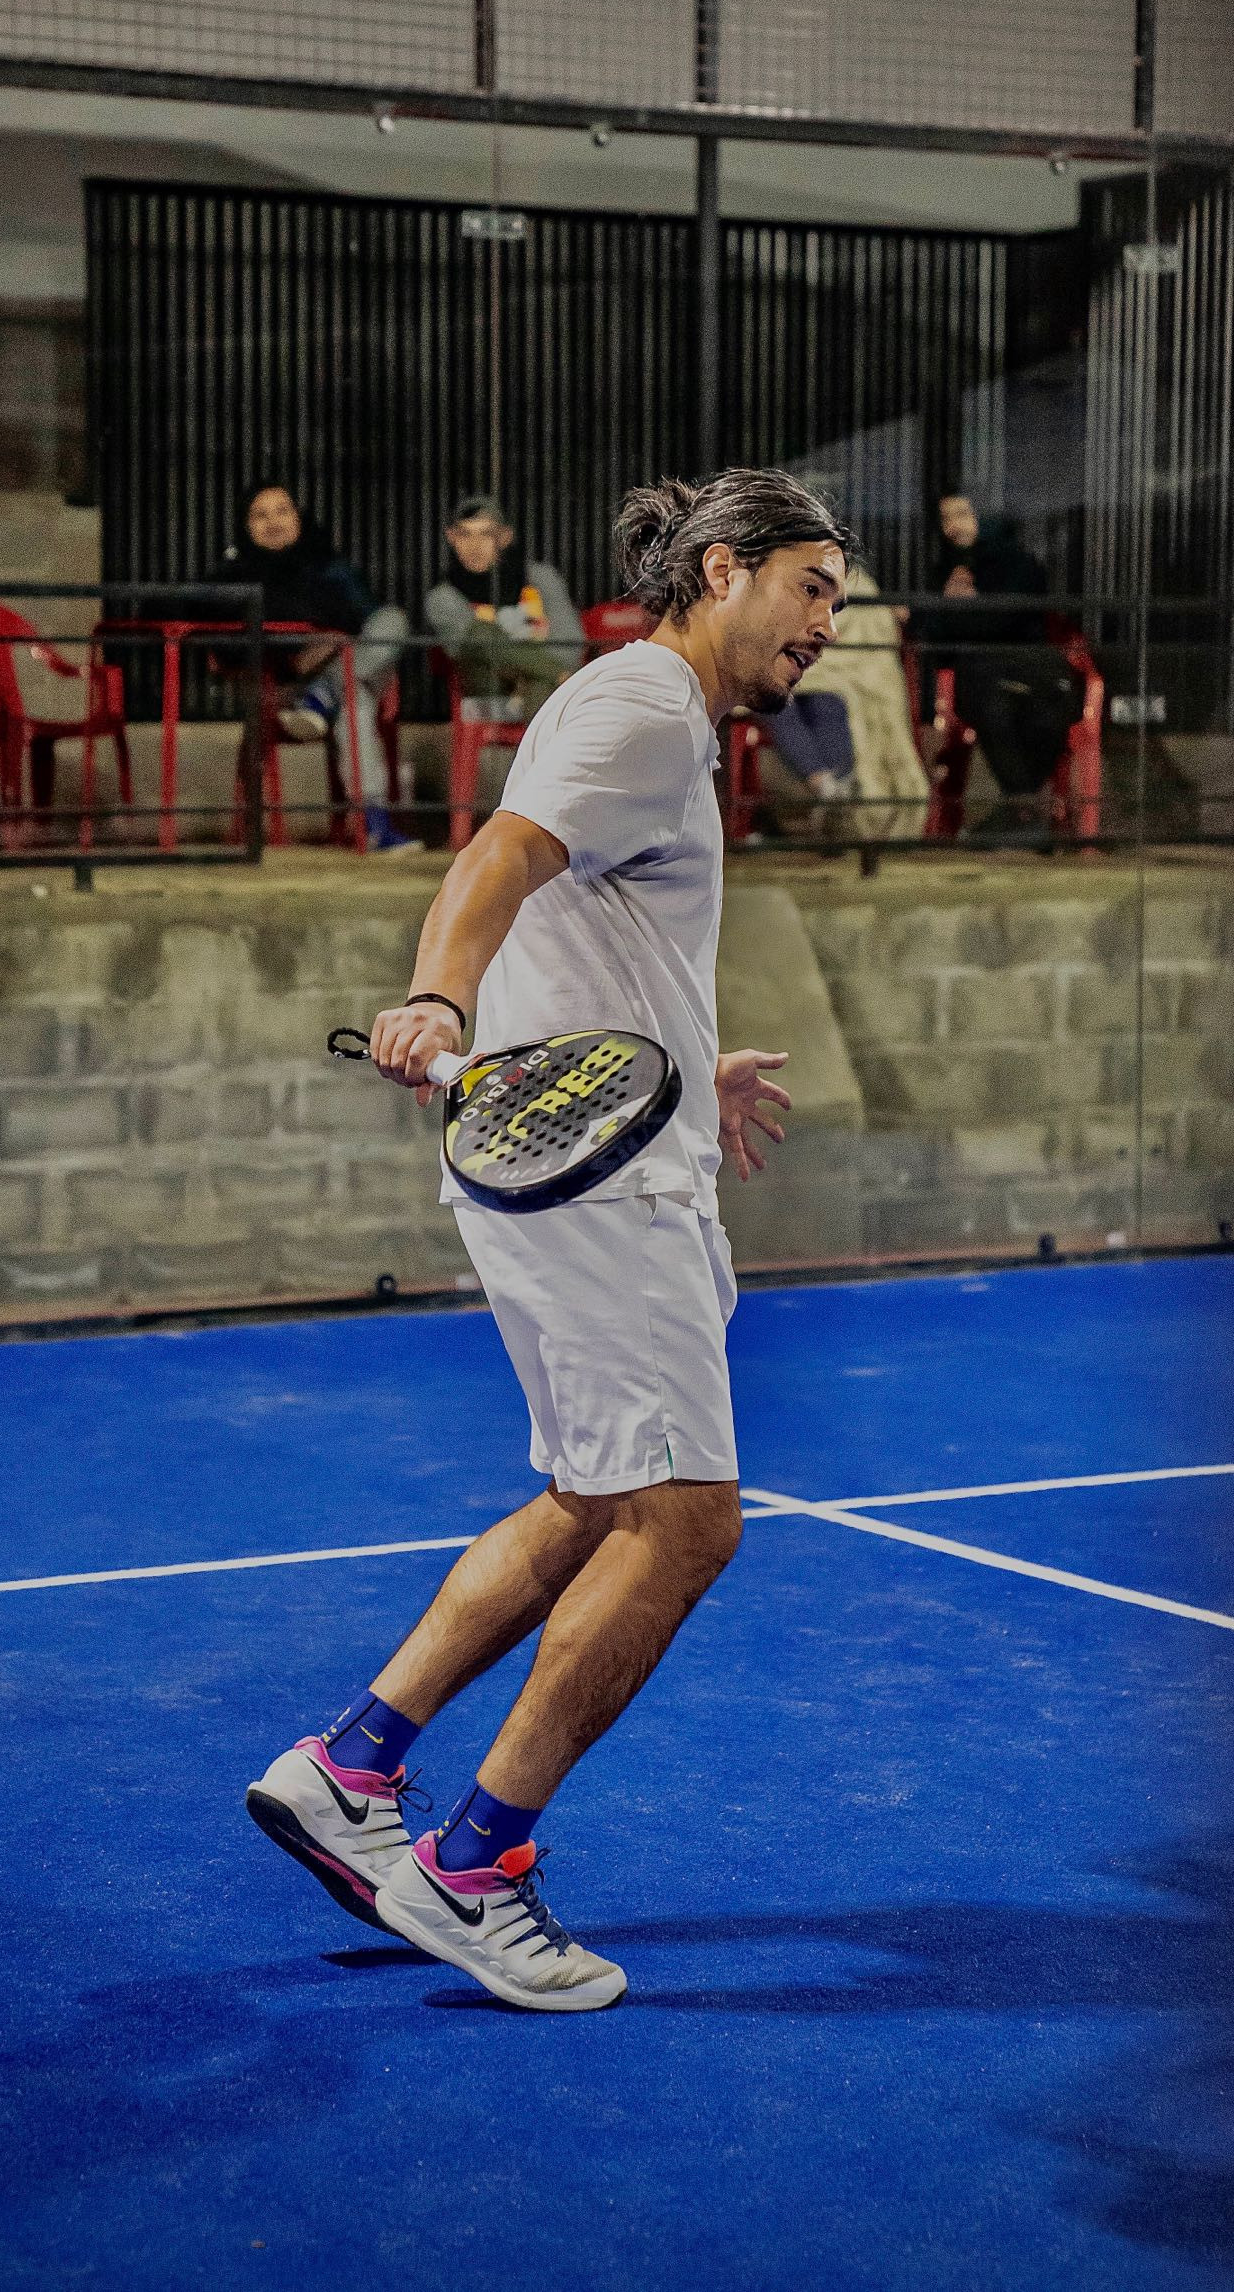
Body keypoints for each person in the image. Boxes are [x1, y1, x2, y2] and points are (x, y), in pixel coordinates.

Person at [247, 465, 849, 2011]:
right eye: (811, 588)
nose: (827, 624)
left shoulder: (657, 719)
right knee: (689, 1523)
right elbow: (498, 859)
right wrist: (436, 995)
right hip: (602, 1191)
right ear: (723, 571)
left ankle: (350, 1771)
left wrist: (679, 1059)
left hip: (601, 1152)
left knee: (595, 1502)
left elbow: (587, 921)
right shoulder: (641, 705)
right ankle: (476, 1863)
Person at [209, 482, 414, 851]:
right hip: (282, 689)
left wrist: (334, 639)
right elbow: (227, 646)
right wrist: (308, 644)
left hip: (340, 672)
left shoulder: (327, 566)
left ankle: (323, 696)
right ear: (245, 525)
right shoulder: (235, 575)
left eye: (282, 511)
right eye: (261, 515)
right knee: (356, 701)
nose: (274, 522)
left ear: (298, 517)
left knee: (392, 623)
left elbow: (368, 620)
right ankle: (375, 825)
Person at [909, 491, 1080, 838]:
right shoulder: (943, 570)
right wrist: (957, 608)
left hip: (1029, 664)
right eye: (945, 518)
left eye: (962, 515)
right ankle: (1025, 814)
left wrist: (961, 610)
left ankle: (1020, 814)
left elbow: (1007, 619)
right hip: (980, 670)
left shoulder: (1019, 564)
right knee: (992, 705)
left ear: (984, 516)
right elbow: (928, 631)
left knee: (1048, 707)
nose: (952, 526)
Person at [773, 559, 932, 841]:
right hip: (778, 668)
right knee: (775, 703)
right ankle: (826, 786)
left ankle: (837, 793)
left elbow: (863, 628)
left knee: (828, 703)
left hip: (830, 670)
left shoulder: (854, 580)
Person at [423, 500, 581, 724]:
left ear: (505, 537)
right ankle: (553, 676)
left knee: (540, 687)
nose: (474, 545)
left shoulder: (540, 577)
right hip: (490, 682)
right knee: (480, 634)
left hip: (542, 682)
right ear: (451, 537)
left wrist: (538, 671)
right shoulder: (443, 598)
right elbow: (465, 649)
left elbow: (571, 639)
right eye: (465, 535)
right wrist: (556, 672)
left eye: (485, 534)